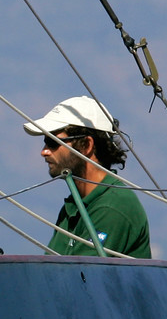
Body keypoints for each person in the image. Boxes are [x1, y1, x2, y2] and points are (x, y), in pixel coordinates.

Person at [23, 96, 151, 259]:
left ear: (86, 145)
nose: (44, 151)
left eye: (53, 142)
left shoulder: (113, 207)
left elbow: (80, 272)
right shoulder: (75, 206)